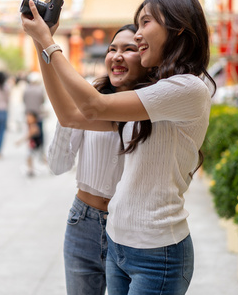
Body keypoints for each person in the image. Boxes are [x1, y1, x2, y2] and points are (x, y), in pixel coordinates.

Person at [21, 0, 216, 295]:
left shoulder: (187, 89)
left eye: (145, 23)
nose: (138, 35)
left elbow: (92, 107)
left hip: (156, 251)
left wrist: (49, 41)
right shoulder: (153, 96)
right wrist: (40, 43)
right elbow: (71, 116)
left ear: (177, 28)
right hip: (119, 242)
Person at [48, 24, 149, 295]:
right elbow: (58, 166)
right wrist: (67, 115)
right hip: (83, 222)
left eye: (129, 49)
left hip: (129, 224)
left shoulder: (155, 107)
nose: (116, 56)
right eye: (112, 49)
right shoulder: (89, 100)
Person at [16, 111, 44, 177]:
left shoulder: (34, 126)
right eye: (27, 118)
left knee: (40, 158)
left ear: (34, 119)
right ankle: (30, 170)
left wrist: (19, 142)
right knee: (30, 157)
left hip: (36, 145)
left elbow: (28, 136)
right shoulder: (31, 126)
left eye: (29, 118)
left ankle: (31, 170)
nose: (28, 119)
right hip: (33, 145)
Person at [23, 72, 46, 146]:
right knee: (40, 133)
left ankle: (31, 148)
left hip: (29, 114)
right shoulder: (40, 90)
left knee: (30, 132)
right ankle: (40, 148)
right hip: (38, 114)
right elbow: (42, 101)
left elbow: (24, 100)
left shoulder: (26, 89)